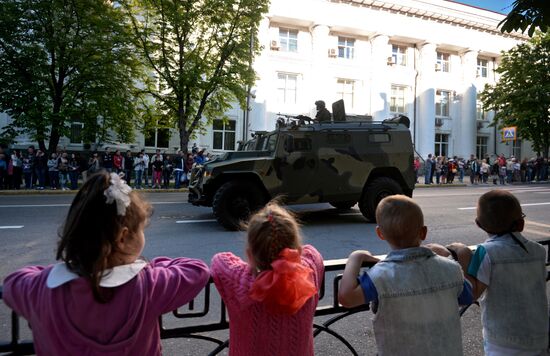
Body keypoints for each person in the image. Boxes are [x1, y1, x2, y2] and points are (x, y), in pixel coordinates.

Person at [3, 172, 209, 355]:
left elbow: (14, 281)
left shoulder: (40, 289)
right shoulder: (148, 286)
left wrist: (50, 274)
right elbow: (197, 270)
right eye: (142, 229)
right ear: (123, 237)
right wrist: (151, 266)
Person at [338, 195, 471, 356]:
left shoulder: (380, 276)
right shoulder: (451, 268)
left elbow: (346, 298)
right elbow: (467, 297)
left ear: (380, 234)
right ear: (423, 232)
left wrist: (355, 257)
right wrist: (450, 256)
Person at [210, 202, 324, 356]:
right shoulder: (308, 272)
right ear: (296, 250)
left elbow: (219, 260)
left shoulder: (240, 282)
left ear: (250, 254)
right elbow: (310, 252)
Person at [447, 190, 548, 355]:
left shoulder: (485, 252)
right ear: (521, 224)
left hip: (503, 342)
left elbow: (471, 294)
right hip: (539, 337)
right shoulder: (538, 251)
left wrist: (463, 253)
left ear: (479, 224)